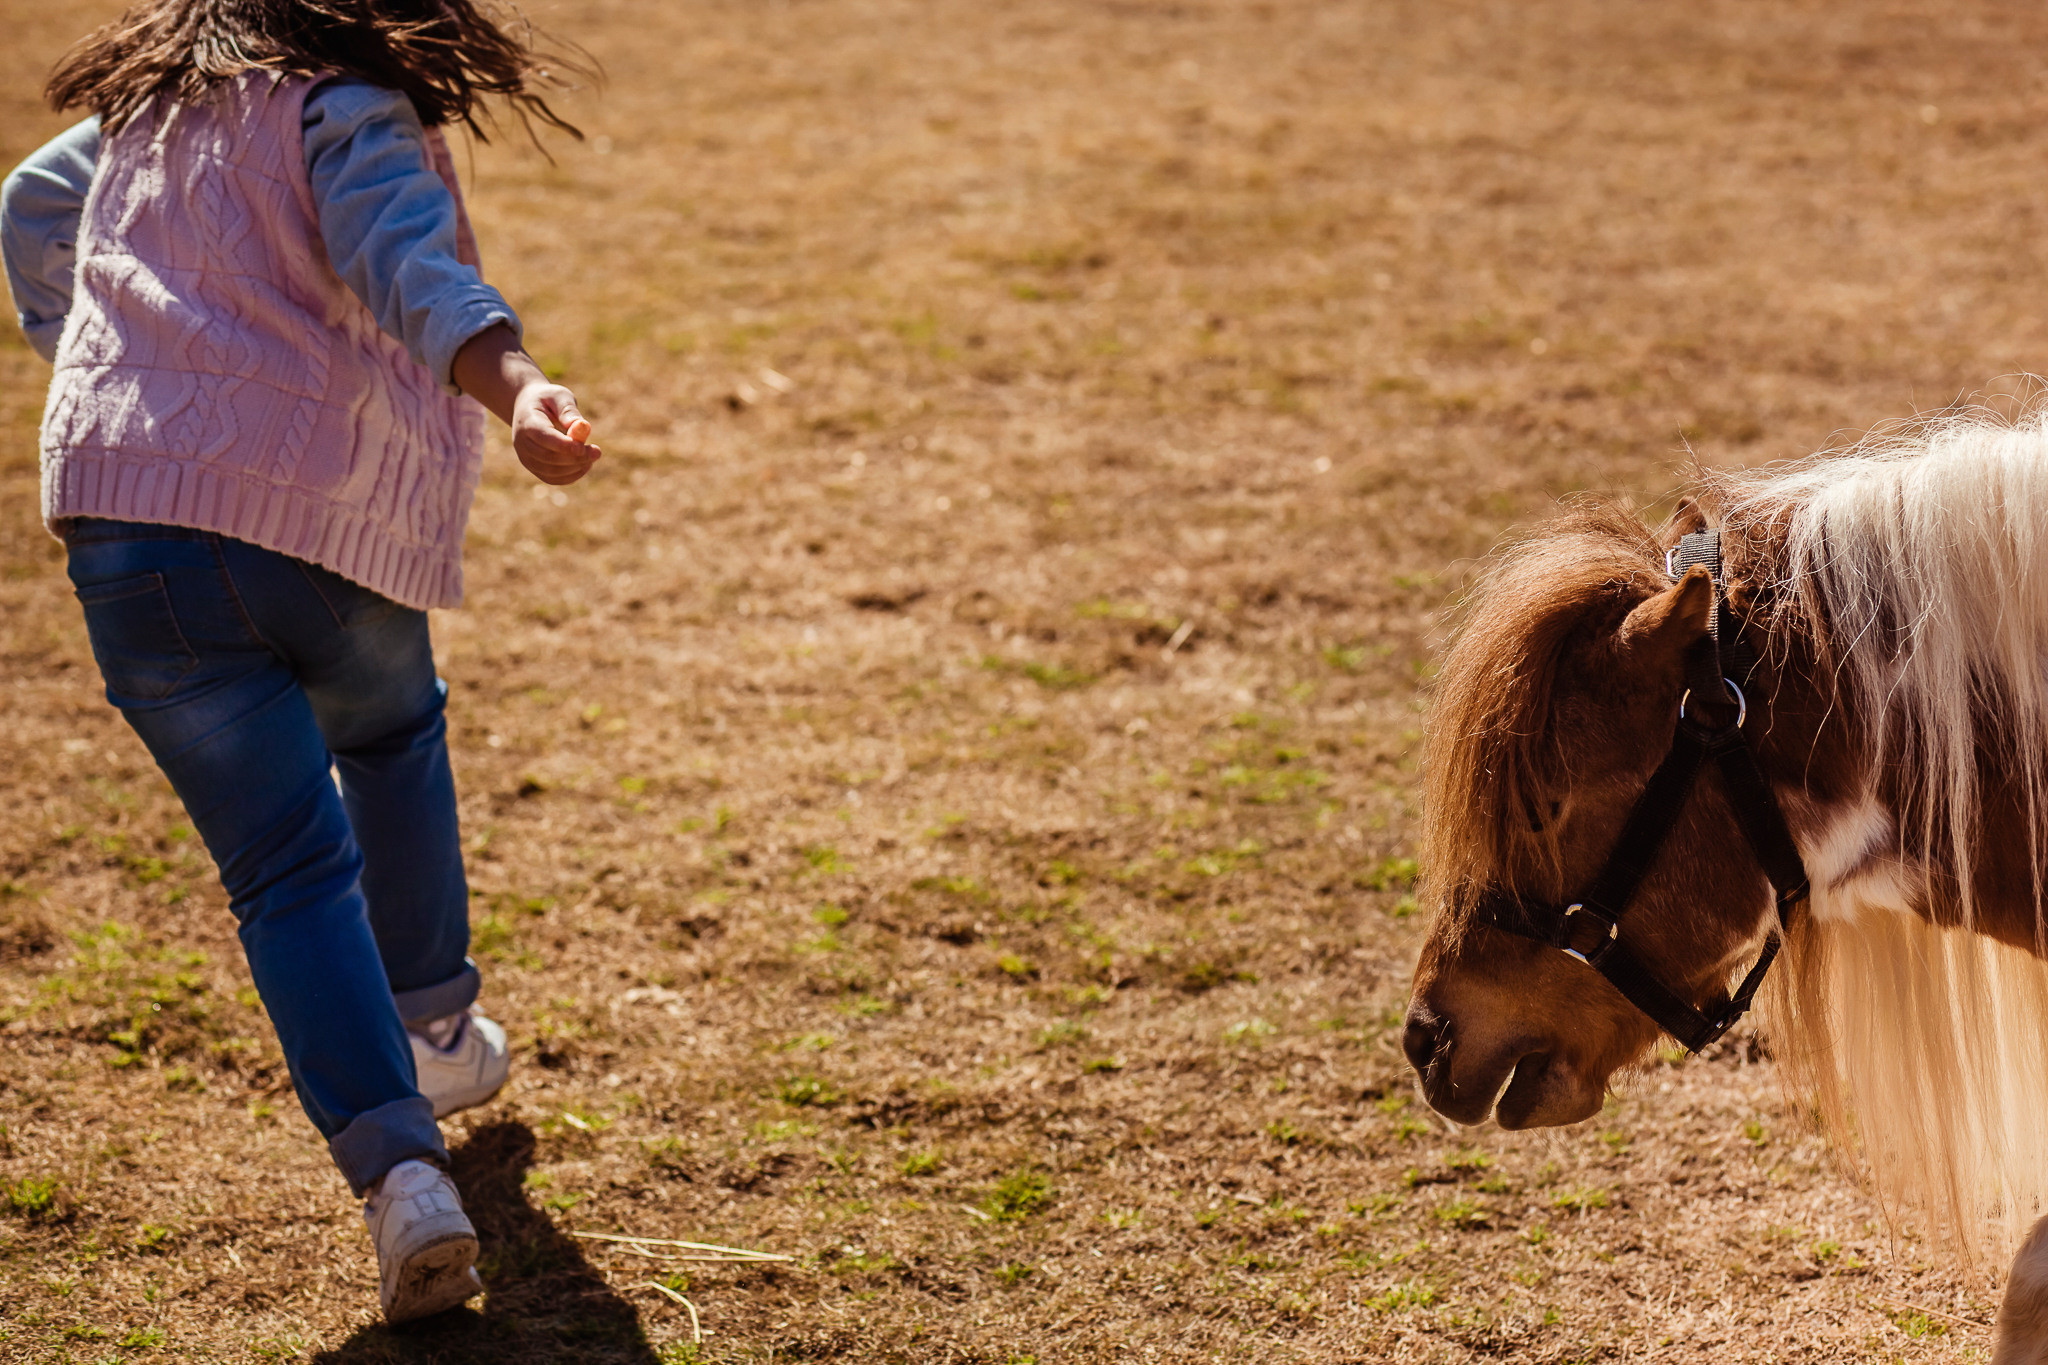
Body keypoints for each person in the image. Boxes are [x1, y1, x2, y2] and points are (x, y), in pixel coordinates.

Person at [0, 0, 600, 1324]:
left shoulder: (147, 111)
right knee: (388, 735)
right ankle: (437, 1030)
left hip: (125, 529)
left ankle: (404, 1181)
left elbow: (30, 208)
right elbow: (410, 261)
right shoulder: (341, 105)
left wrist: (104, 374)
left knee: (282, 868)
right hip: (312, 515)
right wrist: (515, 385)